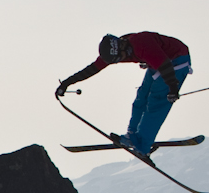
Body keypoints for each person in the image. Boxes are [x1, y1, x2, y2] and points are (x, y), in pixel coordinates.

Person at [56, 32, 191, 154]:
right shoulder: (114, 52)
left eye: (119, 58)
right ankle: (131, 136)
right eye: (115, 61)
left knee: (157, 101)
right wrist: (67, 83)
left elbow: (165, 65)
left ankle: (142, 145)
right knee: (141, 98)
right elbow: (92, 69)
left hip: (176, 60)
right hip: (157, 60)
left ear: (122, 47)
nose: (120, 60)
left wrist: (173, 88)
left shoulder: (141, 45)